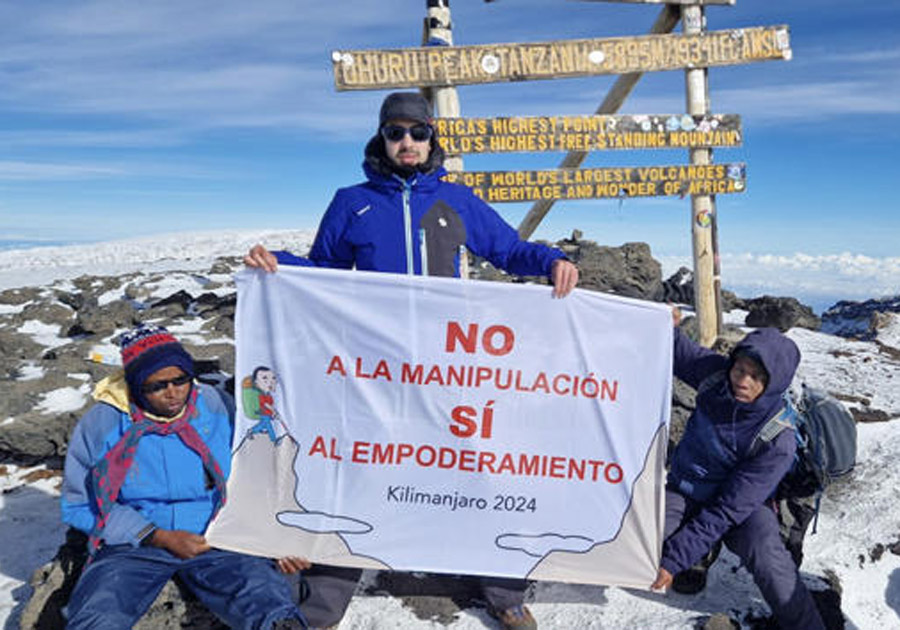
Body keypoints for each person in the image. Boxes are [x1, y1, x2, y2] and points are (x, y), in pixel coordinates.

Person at [244, 92, 579, 630]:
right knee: (358, 471)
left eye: (418, 133)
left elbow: (509, 250)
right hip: (381, 369)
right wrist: (277, 264)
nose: (407, 142)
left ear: (431, 139)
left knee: (475, 467)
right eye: (396, 132)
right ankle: (323, 605)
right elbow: (322, 272)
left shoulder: (458, 200)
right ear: (382, 137)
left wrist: (553, 260)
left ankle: (503, 590)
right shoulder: (351, 201)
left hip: (453, 367)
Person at [60, 324, 309, 630]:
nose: (173, 392)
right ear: (136, 384)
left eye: (181, 380)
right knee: (98, 615)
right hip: (133, 546)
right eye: (157, 385)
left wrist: (274, 534)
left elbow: (257, 475)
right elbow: (80, 502)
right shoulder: (104, 422)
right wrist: (156, 535)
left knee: (270, 606)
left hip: (220, 536)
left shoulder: (218, 407)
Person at [650, 318, 826, 630]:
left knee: (766, 553)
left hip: (741, 509)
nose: (743, 381)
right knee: (643, 537)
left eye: (757, 376)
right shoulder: (716, 376)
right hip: (686, 489)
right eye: (740, 369)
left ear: (774, 383)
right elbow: (677, 349)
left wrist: (674, 560)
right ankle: (700, 553)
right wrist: (666, 323)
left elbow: (726, 510)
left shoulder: (777, 438)